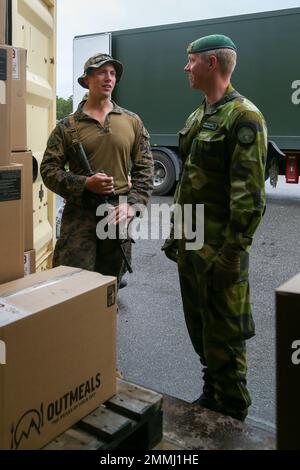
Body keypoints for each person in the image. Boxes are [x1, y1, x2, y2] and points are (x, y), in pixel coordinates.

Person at [162, 35, 267, 421]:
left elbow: (249, 199)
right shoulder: (199, 116)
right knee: (202, 331)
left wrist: (231, 254)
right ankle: (212, 395)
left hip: (220, 252)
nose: (185, 68)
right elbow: (189, 181)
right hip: (192, 246)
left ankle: (233, 413)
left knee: (225, 337)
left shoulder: (244, 117)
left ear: (211, 64)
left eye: (190, 61)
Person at [41, 53, 154, 288]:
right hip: (80, 215)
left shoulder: (132, 122)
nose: (108, 78)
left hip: (116, 214)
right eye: (101, 72)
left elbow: (145, 171)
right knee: (71, 284)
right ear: (87, 80)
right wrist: (84, 184)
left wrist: (132, 205)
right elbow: (48, 170)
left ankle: (103, 325)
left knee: (109, 285)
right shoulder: (67, 126)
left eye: (112, 73)